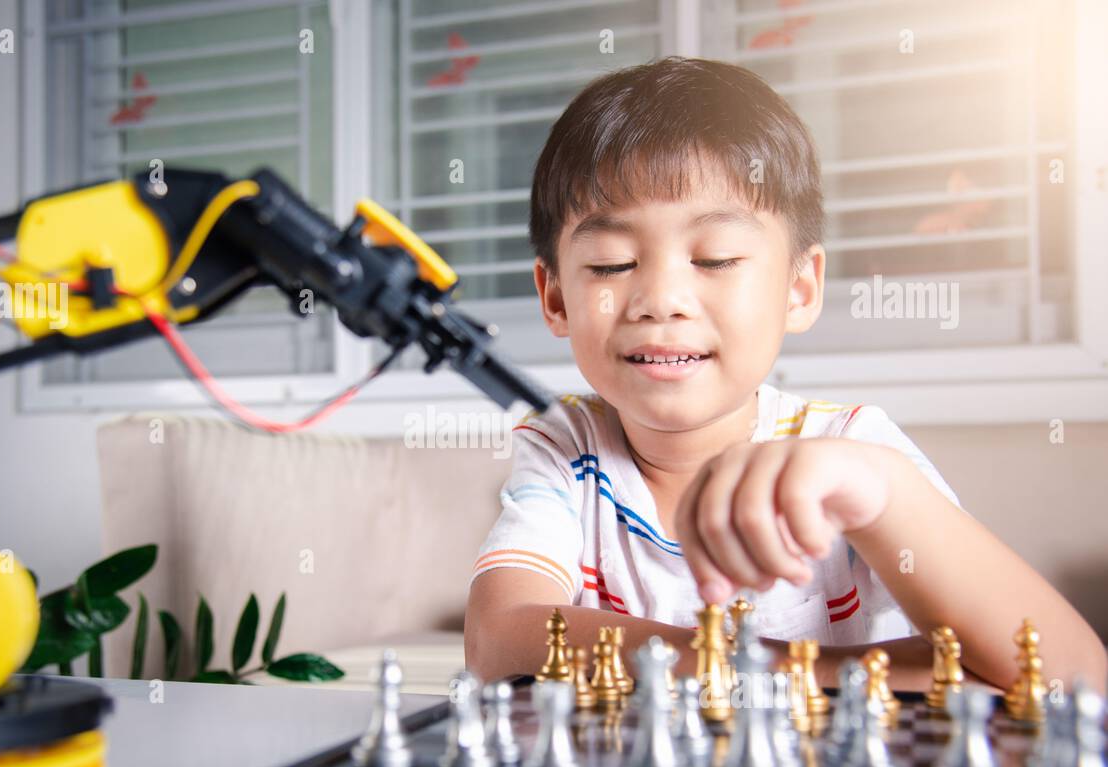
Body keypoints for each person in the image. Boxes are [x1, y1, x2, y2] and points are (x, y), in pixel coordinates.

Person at [464, 57, 1105, 694]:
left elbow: (1076, 676)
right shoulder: (563, 446)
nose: (660, 299)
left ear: (798, 289)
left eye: (715, 258)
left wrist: (884, 496)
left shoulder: (855, 453)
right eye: (611, 264)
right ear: (554, 299)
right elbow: (499, 637)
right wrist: (787, 670)